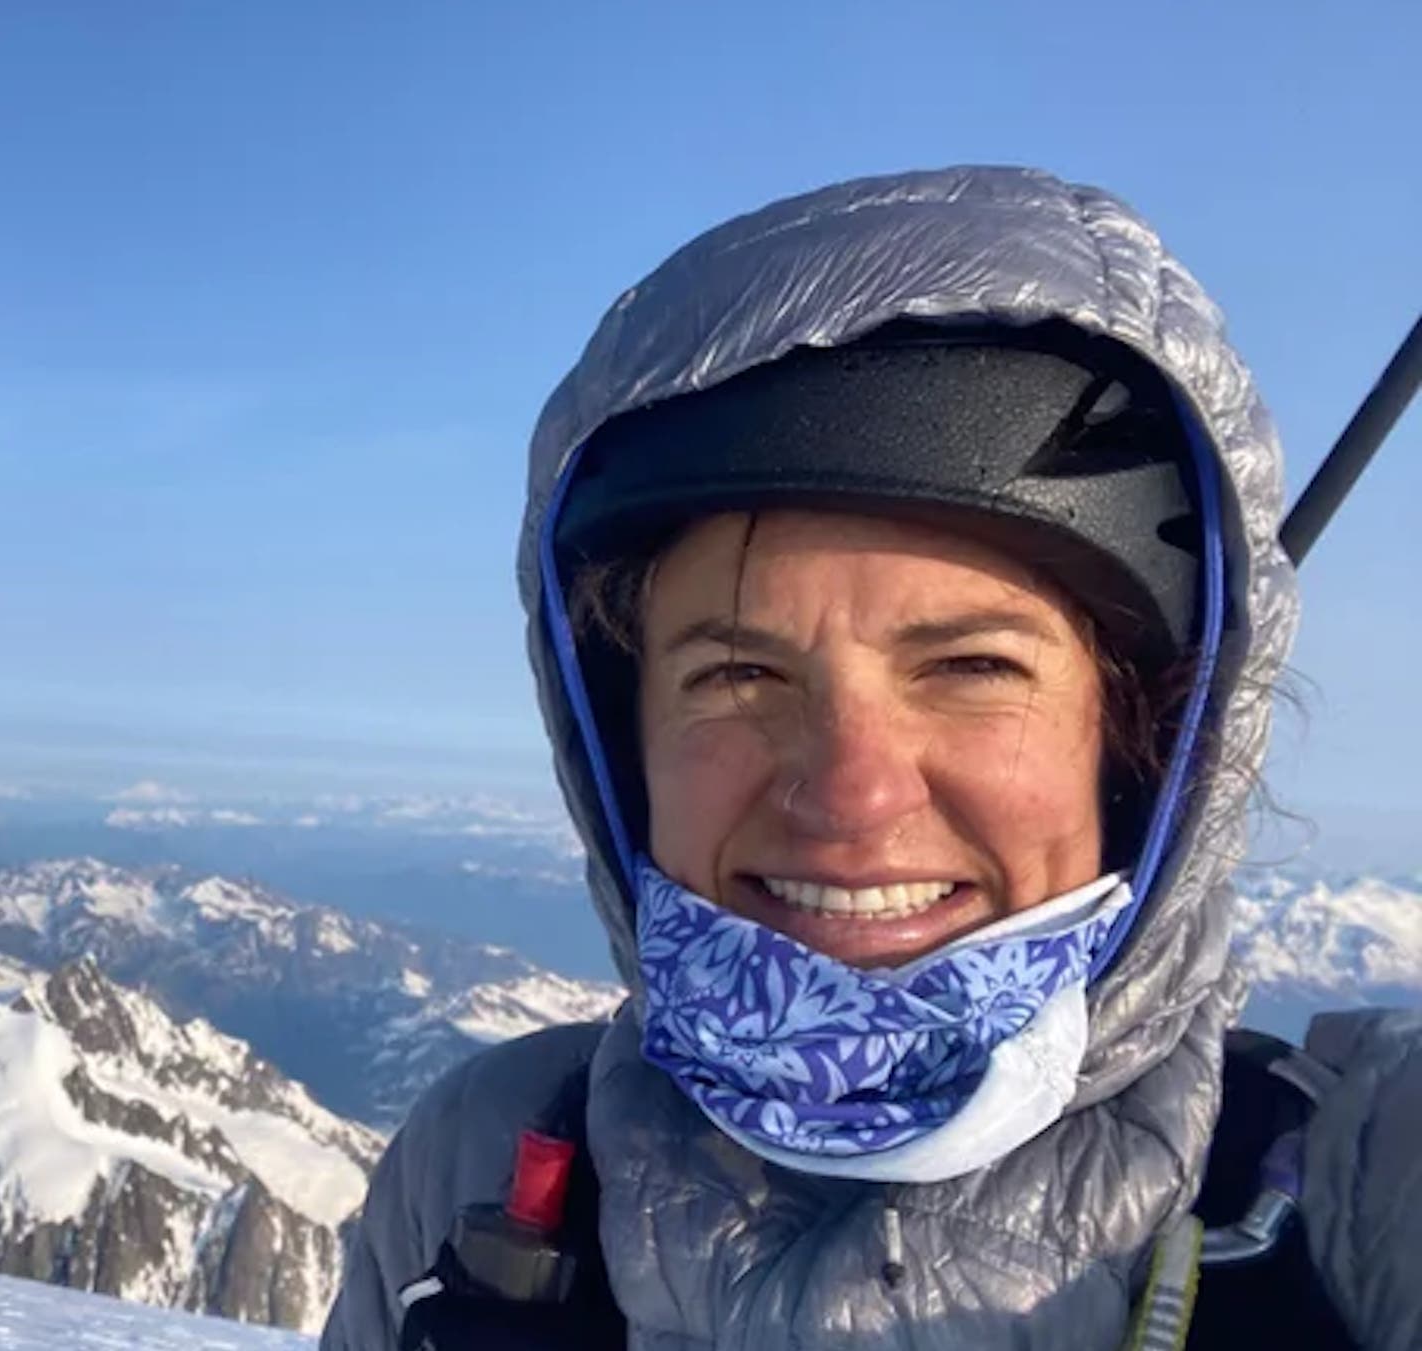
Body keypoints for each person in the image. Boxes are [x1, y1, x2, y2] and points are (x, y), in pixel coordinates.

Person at [322, 166, 1422, 1350]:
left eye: (972, 667)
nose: (852, 794)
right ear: (619, 755)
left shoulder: (1361, 1196)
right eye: (737, 675)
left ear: (1141, 749)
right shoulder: (480, 1168)